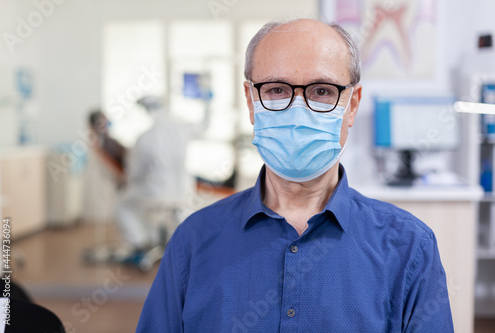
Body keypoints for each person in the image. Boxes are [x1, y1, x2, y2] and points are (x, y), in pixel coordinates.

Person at [136, 18, 454, 332]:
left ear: (352, 104)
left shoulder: (409, 248)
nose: (298, 112)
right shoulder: (192, 242)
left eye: (322, 91)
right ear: (250, 100)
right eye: (276, 89)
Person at [115, 96, 208, 254]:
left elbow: (135, 172)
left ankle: (141, 245)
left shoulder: (144, 138)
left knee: (122, 207)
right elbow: (204, 125)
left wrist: (126, 182)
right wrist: (207, 101)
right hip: (183, 192)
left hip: (154, 193)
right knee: (180, 212)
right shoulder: (182, 129)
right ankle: (189, 249)